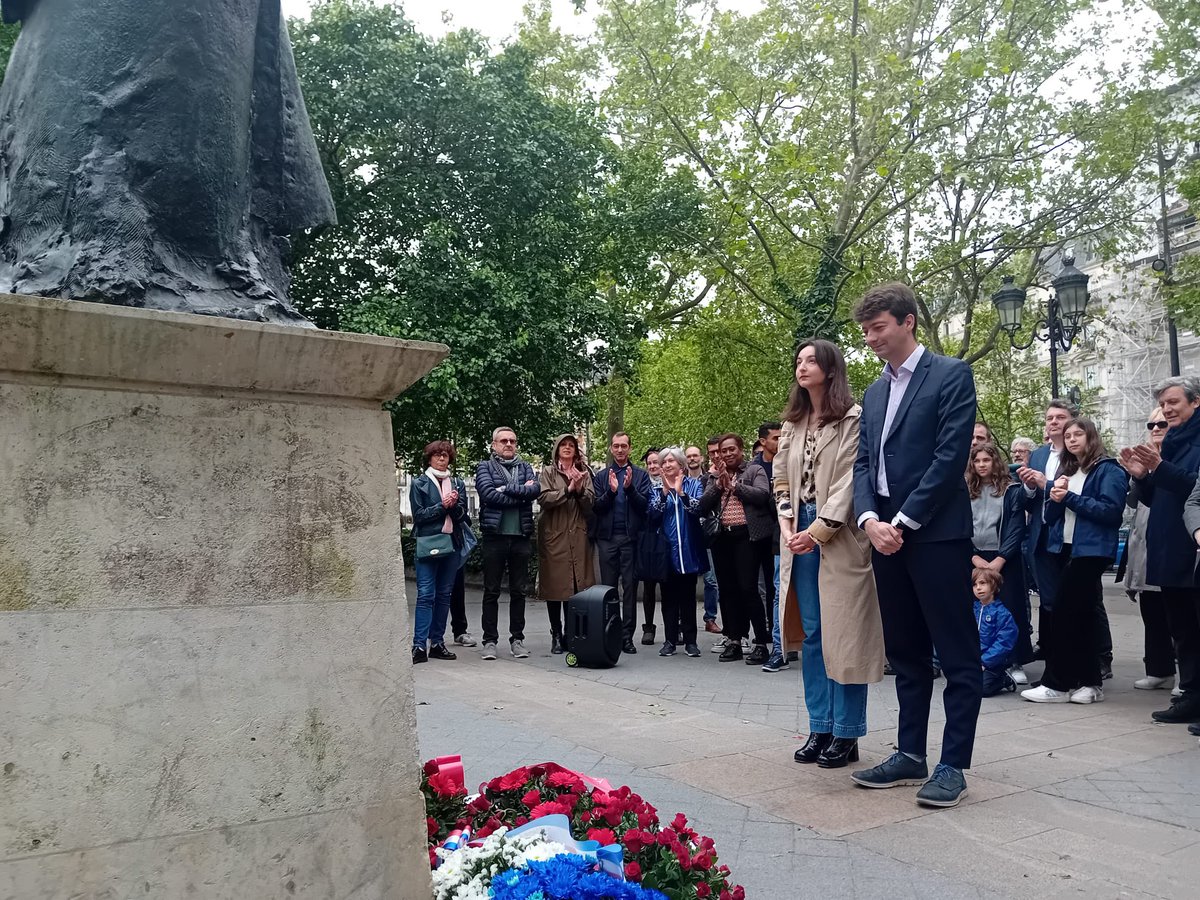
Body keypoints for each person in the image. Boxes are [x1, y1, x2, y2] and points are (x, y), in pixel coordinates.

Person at [848, 282, 979, 809]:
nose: (872, 339)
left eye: (879, 327)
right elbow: (862, 465)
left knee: (957, 653)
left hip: (937, 536)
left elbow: (949, 460)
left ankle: (952, 764)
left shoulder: (950, 375)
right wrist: (870, 519)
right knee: (905, 652)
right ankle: (909, 753)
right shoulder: (875, 391)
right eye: (866, 331)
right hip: (885, 538)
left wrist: (901, 520)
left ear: (908, 322)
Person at [775, 339, 883, 767]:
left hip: (838, 535)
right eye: (797, 360)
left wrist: (816, 530)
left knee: (845, 636)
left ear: (830, 368)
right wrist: (788, 525)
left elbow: (849, 483)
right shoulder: (792, 422)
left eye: (810, 361)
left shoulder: (853, 418)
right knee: (815, 636)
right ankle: (819, 726)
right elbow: (781, 477)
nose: (802, 367)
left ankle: (847, 733)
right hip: (797, 532)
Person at [1022, 418, 1127, 704]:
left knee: (1065, 613)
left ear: (1091, 437)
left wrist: (1069, 497)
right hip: (1066, 548)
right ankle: (1090, 683)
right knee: (1082, 617)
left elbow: (1111, 512)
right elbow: (1054, 517)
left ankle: (1058, 683)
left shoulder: (1108, 469)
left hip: (1091, 551)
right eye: (1067, 435)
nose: (1071, 439)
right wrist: (1056, 498)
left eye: (1078, 434)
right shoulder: (1071, 471)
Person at [1120, 376, 1200, 724]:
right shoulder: (1170, 442)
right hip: (1167, 545)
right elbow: (1158, 496)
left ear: (1195, 401)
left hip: (1192, 546)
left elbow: (1193, 488)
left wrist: (1159, 468)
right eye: (1163, 404)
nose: (1166, 410)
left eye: (1173, 403)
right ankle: (1192, 696)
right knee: (1182, 630)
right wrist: (1142, 476)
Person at [1116, 407, 1177, 693]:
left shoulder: (1182, 454)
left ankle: (1189, 677)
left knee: (1181, 616)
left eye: (1161, 423)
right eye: (1150, 423)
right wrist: (1139, 476)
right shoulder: (1143, 458)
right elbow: (1135, 504)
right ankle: (1159, 669)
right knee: (1151, 610)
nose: (1155, 428)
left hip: (1177, 544)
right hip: (1144, 542)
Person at [698, 433, 773, 663]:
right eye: (724, 451)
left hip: (746, 537)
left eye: (732, 449)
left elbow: (762, 495)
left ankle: (761, 642)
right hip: (722, 538)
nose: (728, 454)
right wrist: (719, 485)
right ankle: (734, 640)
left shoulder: (753, 470)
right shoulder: (714, 476)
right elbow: (702, 505)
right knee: (727, 591)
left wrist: (736, 487)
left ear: (740, 450)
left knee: (748, 589)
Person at [967, 443, 1032, 682]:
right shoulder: (966, 490)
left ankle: (1014, 661)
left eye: (987, 460)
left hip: (1004, 559)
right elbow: (960, 526)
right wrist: (973, 558)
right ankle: (979, 659)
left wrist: (1000, 559)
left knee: (1010, 610)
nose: (982, 465)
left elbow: (1017, 526)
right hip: (975, 556)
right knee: (975, 611)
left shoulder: (1011, 489)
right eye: (977, 461)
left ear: (995, 462)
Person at [475, 427, 540, 660]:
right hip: (495, 536)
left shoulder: (525, 467)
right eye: (504, 440)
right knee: (491, 591)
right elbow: (488, 494)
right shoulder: (484, 467)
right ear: (494, 444)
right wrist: (520, 492)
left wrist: (507, 488)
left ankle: (517, 639)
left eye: (512, 440)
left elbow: (535, 490)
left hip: (520, 537)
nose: (509, 444)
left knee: (519, 591)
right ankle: (489, 641)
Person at [593, 432, 653, 655]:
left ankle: (627, 637)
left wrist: (628, 488)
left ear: (630, 448)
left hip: (630, 539)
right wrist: (611, 492)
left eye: (623, 446)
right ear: (610, 448)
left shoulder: (640, 475)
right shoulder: (600, 476)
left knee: (630, 588)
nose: (619, 450)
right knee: (608, 590)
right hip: (607, 539)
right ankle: (610, 634)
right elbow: (597, 507)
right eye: (616, 446)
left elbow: (644, 507)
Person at [410, 441, 469, 664]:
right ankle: (418, 645)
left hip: (451, 544)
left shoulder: (457, 483)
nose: (442, 459)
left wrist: (453, 506)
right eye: (437, 455)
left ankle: (437, 643)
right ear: (429, 458)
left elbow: (463, 515)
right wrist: (442, 506)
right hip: (428, 544)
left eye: (445, 455)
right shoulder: (420, 483)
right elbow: (419, 516)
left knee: (444, 595)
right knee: (426, 595)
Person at [647, 447, 709, 658]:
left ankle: (691, 641)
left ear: (680, 464)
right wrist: (664, 494)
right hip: (666, 552)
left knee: (688, 598)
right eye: (664, 462)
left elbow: (697, 509)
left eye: (671, 461)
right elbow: (652, 516)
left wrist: (681, 493)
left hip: (688, 549)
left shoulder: (693, 484)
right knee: (668, 599)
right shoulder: (656, 488)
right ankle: (670, 640)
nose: (666, 465)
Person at [537, 435, 596, 654]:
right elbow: (544, 498)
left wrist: (579, 488)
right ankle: (556, 633)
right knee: (555, 586)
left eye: (571, 445)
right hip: (555, 536)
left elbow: (591, 503)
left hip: (577, 536)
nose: (568, 448)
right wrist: (568, 490)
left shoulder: (584, 473)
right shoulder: (548, 472)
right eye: (564, 445)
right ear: (557, 450)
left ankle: (572, 633)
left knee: (575, 586)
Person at [637, 448, 673, 644]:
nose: (652, 466)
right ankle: (648, 628)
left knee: (669, 586)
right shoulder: (644, 485)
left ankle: (673, 629)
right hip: (649, 539)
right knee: (649, 586)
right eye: (649, 463)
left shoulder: (674, 482)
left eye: (655, 463)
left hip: (668, 539)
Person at [687, 444, 722, 634]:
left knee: (711, 580)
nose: (692, 459)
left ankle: (710, 618)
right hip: (687, 535)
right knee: (686, 581)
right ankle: (685, 621)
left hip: (707, 534)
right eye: (689, 456)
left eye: (695, 456)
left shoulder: (709, 478)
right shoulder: (681, 480)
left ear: (701, 458)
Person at [754, 422, 783, 642]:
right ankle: (765, 633)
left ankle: (781, 634)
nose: (780, 441)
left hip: (783, 532)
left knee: (779, 587)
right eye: (775, 438)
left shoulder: (788, 463)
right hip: (758, 534)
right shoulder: (754, 468)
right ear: (763, 442)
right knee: (760, 586)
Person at [973, 568, 1018, 697]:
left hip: (993, 663)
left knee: (982, 690)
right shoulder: (973, 609)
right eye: (975, 585)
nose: (978, 588)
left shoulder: (1002, 613)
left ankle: (1003, 679)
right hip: (974, 660)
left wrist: (985, 662)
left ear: (994, 586)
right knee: (965, 685)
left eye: (983, 583)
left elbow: (1004, 642)